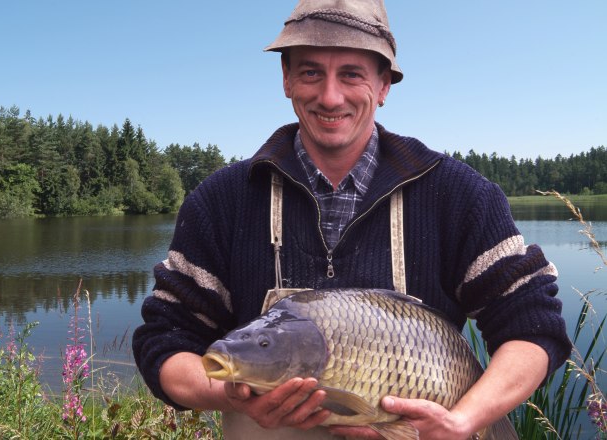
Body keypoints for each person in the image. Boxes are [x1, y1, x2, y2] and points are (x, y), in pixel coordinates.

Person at [132, 0, 571, 438]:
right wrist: (230, 392)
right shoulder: (220, 202)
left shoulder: (460, 196)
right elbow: (165, 345)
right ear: (285, 79)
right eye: (310, 72)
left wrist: (465, 419)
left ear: (384, 85)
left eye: (352, 73)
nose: (329, 96)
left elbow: (533, 327)